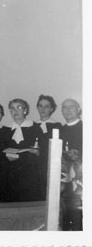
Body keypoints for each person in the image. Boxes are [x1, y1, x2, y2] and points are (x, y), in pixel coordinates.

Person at [0, 98, 44, 202]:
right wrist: (6, 156)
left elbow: (43, 151)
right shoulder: (5, 130)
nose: (15, 111)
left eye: (19, 107)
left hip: (29, 173)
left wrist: (37, 152)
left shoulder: (35, 128)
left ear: (25, 110)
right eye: (12, 108)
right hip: (10, 173)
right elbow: (0, 152)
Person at [60, 98, 82, 231]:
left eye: (71, 107)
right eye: (64, 107)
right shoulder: (60, 130)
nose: (68, 110)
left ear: (78, 109)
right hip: (64, 179)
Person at [35, 95, 61, 198]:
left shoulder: (57, 126)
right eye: (40, 106)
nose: (43, 109)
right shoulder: (32, 125)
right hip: (35, 166)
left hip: (49, 166)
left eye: (46, 106)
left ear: (52, 109)